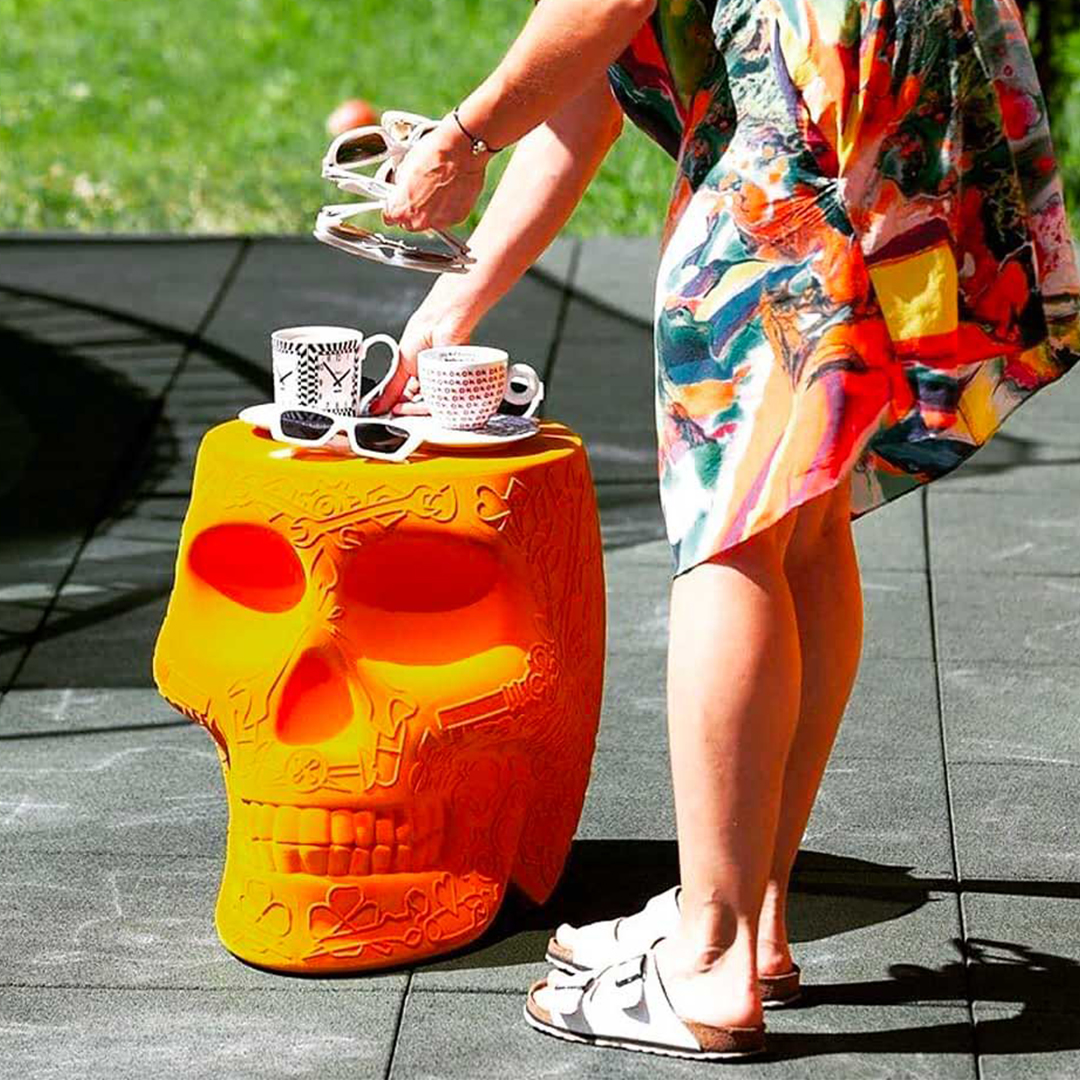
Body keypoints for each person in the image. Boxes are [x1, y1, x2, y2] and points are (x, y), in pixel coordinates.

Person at [368, 0, 1080, 1061]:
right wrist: (447, 314)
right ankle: (753, 911)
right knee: (800, 510)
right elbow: (584, 95)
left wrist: (465, 136)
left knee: (731, 528)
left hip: (794, 110)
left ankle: (707, 959)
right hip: (885, 80)